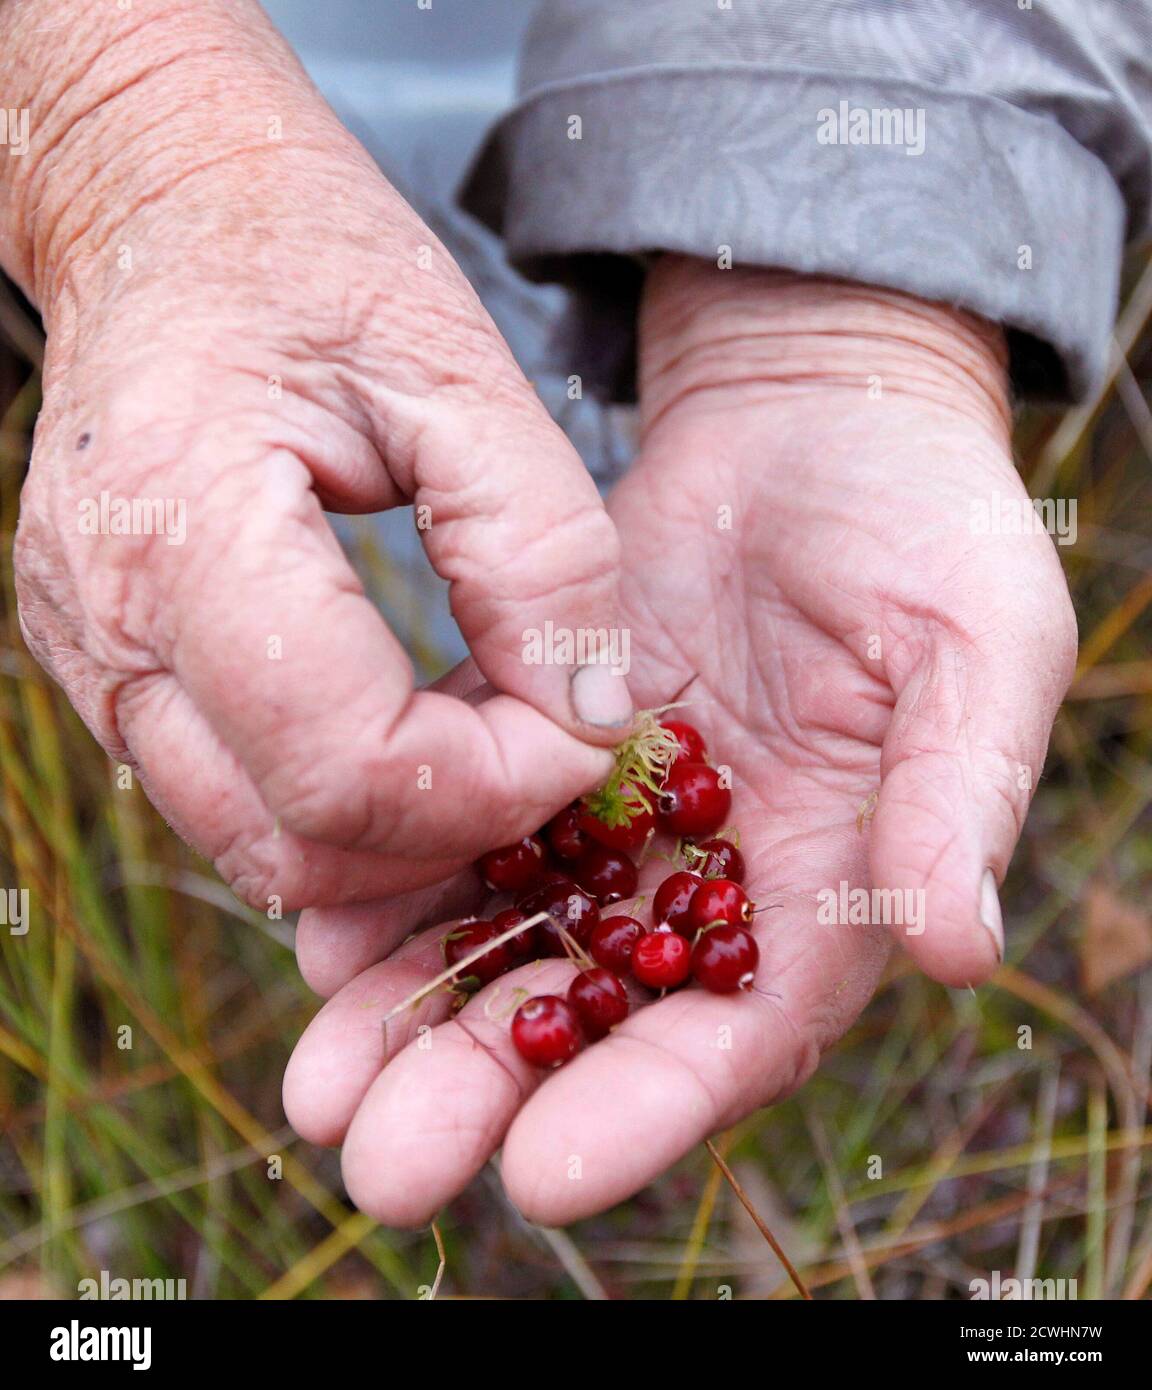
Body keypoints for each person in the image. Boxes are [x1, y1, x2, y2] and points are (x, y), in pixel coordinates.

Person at [2, 0, 1148, 1227]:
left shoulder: (659, 829)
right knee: (363, 688)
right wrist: (119, 134)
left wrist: (831, 285)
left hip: (698, 150)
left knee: (453, 715)